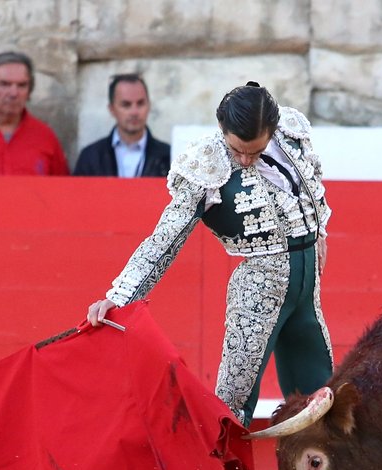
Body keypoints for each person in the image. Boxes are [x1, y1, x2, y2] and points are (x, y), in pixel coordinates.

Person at [86, 82, 334, 427]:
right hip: (260, 286)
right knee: (233, 400)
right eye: (237, 150)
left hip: (308, 286)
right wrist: (120, 296)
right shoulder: (207, 164)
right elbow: (167, 238)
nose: (246, 159)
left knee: (320, 391)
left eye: (256, 151)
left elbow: (312, 184)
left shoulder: (290, 135)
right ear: (222, 129)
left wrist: (319, 229)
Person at [73, 73, 171, 178]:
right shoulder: (90, 157)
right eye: (126, 105)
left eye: (140, 103)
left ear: (149, 105)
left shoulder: (170, 157)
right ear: (111, 109)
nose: (134, 112)